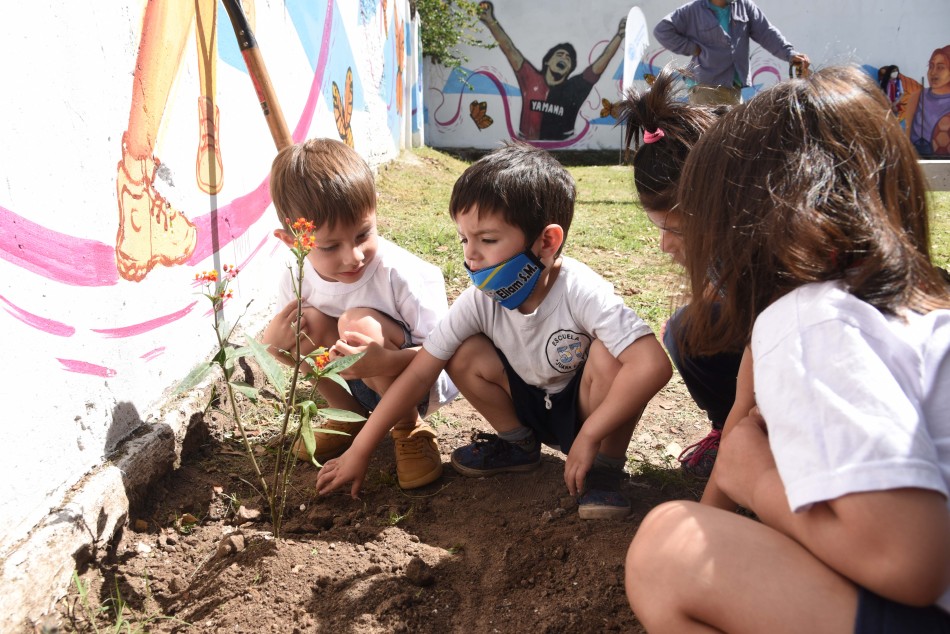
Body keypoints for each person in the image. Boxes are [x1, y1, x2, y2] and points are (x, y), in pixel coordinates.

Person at [625, 66, 950, 632]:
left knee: (664, 551)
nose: (668, 244)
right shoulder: (907, 302)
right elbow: (740, 423)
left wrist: (756, 481)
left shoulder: (811, 322)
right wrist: (720, 504)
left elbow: (909, 560)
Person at [315, 143, 673, 520]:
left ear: (547, 242)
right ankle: (518, 445)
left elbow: (652, 365)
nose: (471, 255)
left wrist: (590, 434)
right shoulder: (479, 300)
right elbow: (419, 373)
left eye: (487, 240)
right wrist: (360, 450)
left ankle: (604, 470)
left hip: (585, 412)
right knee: (461, 350)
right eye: (464, 239)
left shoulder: (581, 290)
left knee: (613, 354)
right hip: (527, 404)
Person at [260, 138, 458, 490]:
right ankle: (348, 415)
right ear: (294, 242)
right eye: (330, 246)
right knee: (300, 325)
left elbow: (442, 354)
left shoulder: (400, 273)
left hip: (412, 385)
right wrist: (275, 347)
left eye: (363, 234)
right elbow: (288, 344)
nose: (353, 257)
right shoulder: (297, 277)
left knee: (356, 324)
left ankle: (409, 429)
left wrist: (385, 361)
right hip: (354, 382)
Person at [614, 66, 743, 481]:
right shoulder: (723, 248)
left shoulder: (770, 265)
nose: (665, 246)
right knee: (686, 328)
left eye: (676, 230)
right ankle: (729, 431)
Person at [477, 1, 626, 141]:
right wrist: (490, 21)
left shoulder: (574, 88)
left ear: (570, 68)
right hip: (527, 146)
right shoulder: (530, 79)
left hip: (563, 147)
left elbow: (602, 62)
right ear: (547, 61)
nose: (564, 58)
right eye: (560, 54)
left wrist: (619, 36)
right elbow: (509, 49)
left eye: (568, 58)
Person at [653, 0, 809, 106]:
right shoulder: (693, 10)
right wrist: (692, 48)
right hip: (706, 88)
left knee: (732, 139)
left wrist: (790, 54)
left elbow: (767, 33)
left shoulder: (744, 6)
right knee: (710, 140)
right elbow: (662, 30)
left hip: (733, 88)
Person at [904, 45, 950, 157]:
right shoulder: (917, 97)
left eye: (940, 67)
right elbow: (907, 132)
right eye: (931, 66)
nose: (933, 72)